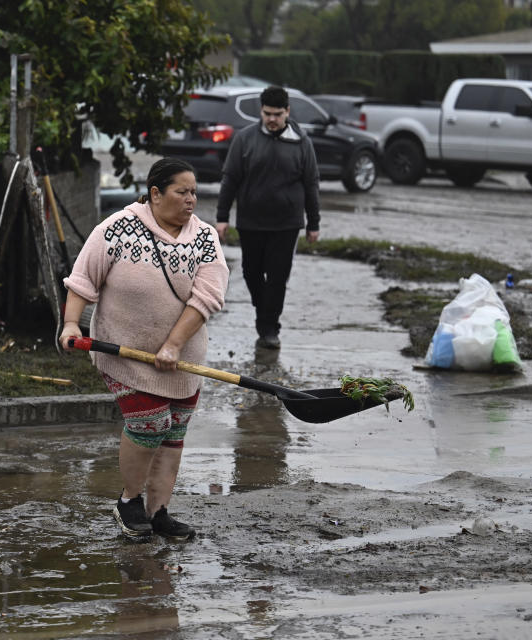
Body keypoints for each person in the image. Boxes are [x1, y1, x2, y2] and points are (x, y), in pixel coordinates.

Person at [60, 158, 229, 540]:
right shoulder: (117, 229)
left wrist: (173, 345)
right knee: (149, 424)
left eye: (194, 192)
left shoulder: (204, 237)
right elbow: (83, 278)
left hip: (183, 359)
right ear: (155, 193)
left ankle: (159, 512)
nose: (191, 200)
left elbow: (207, 297)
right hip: (126, 355)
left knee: (173, 431)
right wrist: (72, 323)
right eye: (181, 192)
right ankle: (128, 501)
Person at [215, 85, 320, 350]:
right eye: (267, 114)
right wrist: (222, 216)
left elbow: (311, 184)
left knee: (277, 278)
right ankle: (264, 310)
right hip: (251, 221)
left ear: (287, 112)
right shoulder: (245, 139)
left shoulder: (301, 142)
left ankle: (269, 328)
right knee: (251, 272)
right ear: (261, 111)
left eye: (277, 114)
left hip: (287, 223)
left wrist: (313, 223)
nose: (271, 119)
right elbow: (230, 179)